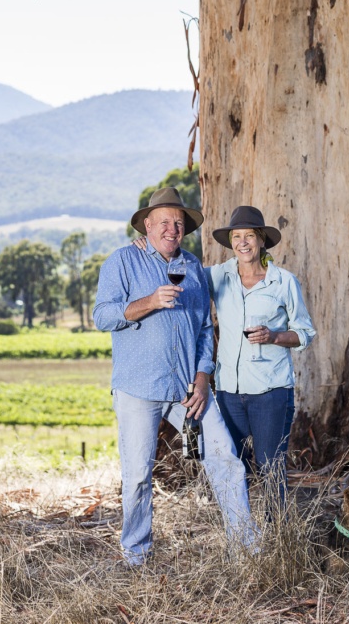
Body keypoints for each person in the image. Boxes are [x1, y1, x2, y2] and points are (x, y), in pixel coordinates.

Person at [93, 186, 257, 567]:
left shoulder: (194, 268)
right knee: (136, 476)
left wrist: (203, 377)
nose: (172, 228)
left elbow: (203, 328)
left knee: (225, 458)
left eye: (178, 223)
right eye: (163, 221)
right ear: (147, 225)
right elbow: (102, 316)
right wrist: (150, 301)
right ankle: (136, 556)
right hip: (139, 388)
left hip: (188, 390)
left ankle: (246, 550)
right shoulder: (122, 262)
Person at [209, 206, 316, 508]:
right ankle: (241, 537)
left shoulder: (283, 282)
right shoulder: (219, 276)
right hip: (229, 391)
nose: (243, 243)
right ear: (231, 241)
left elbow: (304, 332)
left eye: (250, 236)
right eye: (237, 236)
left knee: (271, 468)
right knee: (232, 468)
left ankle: (277, 539)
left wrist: (274, 336)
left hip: (271, 392)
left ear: (261, 241)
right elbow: (184, 275)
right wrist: (147, 246)